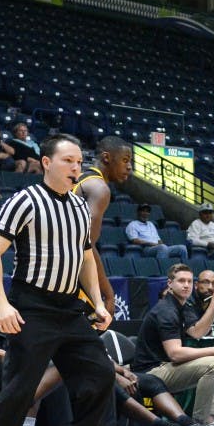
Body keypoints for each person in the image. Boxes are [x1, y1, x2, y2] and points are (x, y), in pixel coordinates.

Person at [0, 134, 117, 426]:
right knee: (18, 391)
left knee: (101, 374)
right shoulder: (25, 201)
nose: (76, 168)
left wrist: (96, 301)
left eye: (79, 162)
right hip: (32, 306)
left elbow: (84, 259)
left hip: (70, 308)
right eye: (68, 161)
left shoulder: (80, 207)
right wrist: (1, 304)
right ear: (47, 163)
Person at [131, 263, 214, 426]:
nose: (186, 285)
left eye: (189, 281)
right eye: (181, 281)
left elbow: (197, 333)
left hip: (168, 366)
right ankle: (199, 424)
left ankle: (210, 420)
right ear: (170, 284)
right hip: (152, 372)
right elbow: (175, 353)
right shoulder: (166, 310)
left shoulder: (181, 305)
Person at [72, 135, 134, 316]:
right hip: (68, 274)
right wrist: (108, 293)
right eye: (124, 160)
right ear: (107, 158)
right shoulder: (99, 188)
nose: (129, 167)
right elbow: (86, 246)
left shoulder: (80, 178)